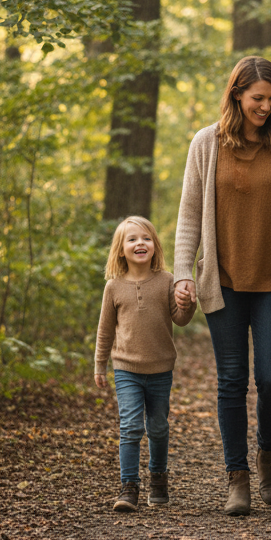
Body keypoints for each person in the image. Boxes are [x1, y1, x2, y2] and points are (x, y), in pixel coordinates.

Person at [173, 56, 271, 516]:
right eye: (258, 98)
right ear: (236, 94)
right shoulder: (206, 143)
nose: (265, 106)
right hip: (221, 281)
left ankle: (267, 451)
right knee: (231, 380)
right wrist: (183, 273)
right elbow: (189, 216)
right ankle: (236, 476)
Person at [95, 216, 195, 512]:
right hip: (126, 369)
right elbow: (105, 330)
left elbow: (181, 319)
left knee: (158, 427)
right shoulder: (113, 287)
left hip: (161, 369)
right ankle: (129, 487)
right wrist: (100, 364)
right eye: (132, 239)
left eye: (146, 238)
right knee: (130, 426)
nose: (140, 243)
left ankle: (158, 478)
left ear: (155, 246)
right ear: (121, 250)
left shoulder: (167, 281)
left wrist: (188, 303)